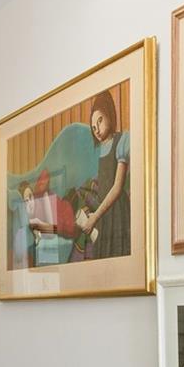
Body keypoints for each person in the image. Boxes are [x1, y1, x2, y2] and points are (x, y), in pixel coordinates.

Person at [74, 90, 130, 260]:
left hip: (116, 210)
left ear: (109, 115)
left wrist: (95, 217)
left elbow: (117, 187)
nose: (97, 130)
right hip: (102, 213)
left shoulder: (122, 140)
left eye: (100, 120)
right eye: (93, 127)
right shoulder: (96, 151)